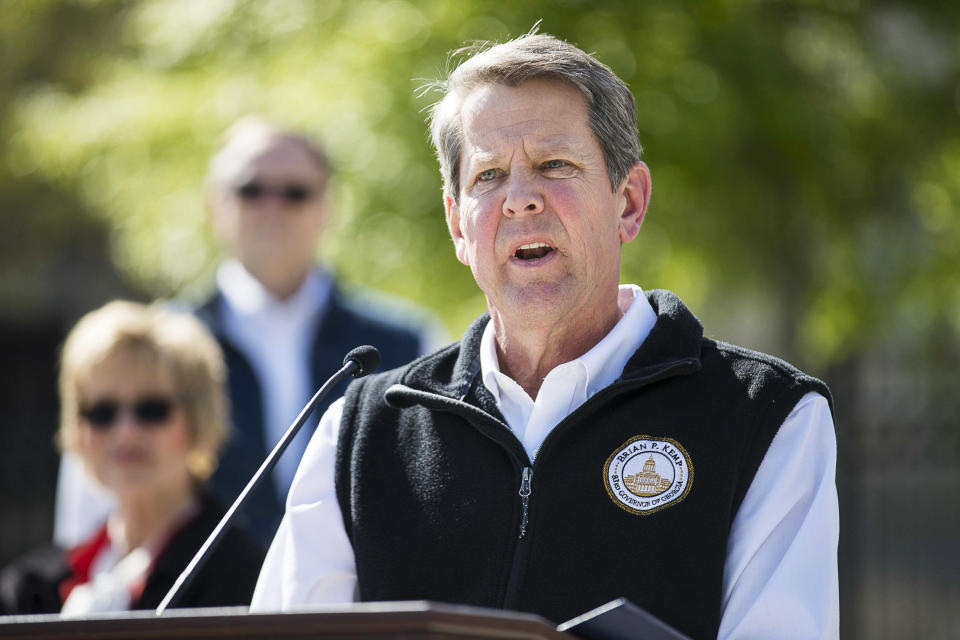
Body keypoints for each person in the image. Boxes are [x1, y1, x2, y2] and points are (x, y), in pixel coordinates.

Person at [251, 32, 839, 640]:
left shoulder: (767, 416)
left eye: (555, 165)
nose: (520, 201)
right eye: (489, 176)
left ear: (629, 202)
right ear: (457, 223)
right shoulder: (356, 431)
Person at [54, 118, 444, 548]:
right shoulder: (149, 351)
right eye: (250, 190)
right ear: (213, 203)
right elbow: (86, 530)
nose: (271, 208)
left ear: (327, 207)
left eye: (295, 193)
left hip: (362, 608)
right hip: (197, 610)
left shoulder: (411, 343)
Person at [0, 301, 264, 615]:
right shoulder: (30, 591)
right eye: (101, 412)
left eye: (151, 409)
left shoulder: (250, 582)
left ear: (196, 420)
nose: (125, 432)